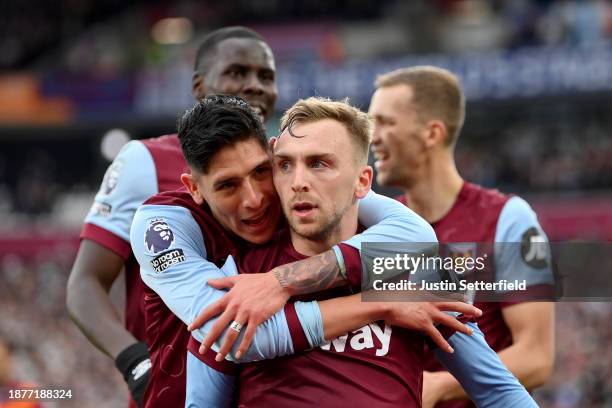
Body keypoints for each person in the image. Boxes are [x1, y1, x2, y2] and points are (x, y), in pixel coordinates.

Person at [139, 96, 536, 407]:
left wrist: (284, 283)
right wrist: (380, 304)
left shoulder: (414, 272)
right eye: (286, 166)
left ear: (363, 182)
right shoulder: (234, 278)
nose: (296, 182)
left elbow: (499, 393)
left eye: (318, 164)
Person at [66, 26, 278, 407]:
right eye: (237, 72)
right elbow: (85, 284)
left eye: (266, 76)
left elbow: (390, 243)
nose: (255, 85)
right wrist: (135, 362)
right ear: (199, 85)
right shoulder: (144, 163)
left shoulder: (287, 165)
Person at [368, 66, 555, 408]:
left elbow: (537, 357)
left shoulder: (507, 219)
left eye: (385, 122)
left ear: (432, 133)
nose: (372, 136)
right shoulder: (377, 228)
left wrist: (441, 384)